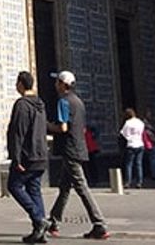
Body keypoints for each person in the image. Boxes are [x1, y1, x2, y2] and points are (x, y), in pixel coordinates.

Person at [45, 70, 109, 240]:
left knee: (81, 187)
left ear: (63, 85)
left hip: (70, 149)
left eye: (57, 81)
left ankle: (99, 224)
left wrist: (46, 125)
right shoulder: (79, 102)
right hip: (80, 147)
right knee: (64, 187)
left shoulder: (63, 102)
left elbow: (63, 127)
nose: (55, 84)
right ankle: (53, 221)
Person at [6, 70, 49, 243]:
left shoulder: (22, 104)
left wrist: (16, 158)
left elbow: (18, 132)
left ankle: (39, 219)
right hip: (40, 154)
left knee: (14, 186)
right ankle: (39, 233)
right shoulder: (40, 103)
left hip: (27, 156)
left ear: (21, 84)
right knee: (34, 190)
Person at [119, 108, 145, 189]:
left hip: (131, 144)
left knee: (129, 164)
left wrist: (129, 138)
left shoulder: (128, 123)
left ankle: (128, 182)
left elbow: (123, 133)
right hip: (140, 144)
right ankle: (139, 182)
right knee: (139, 164)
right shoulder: (140, 122)